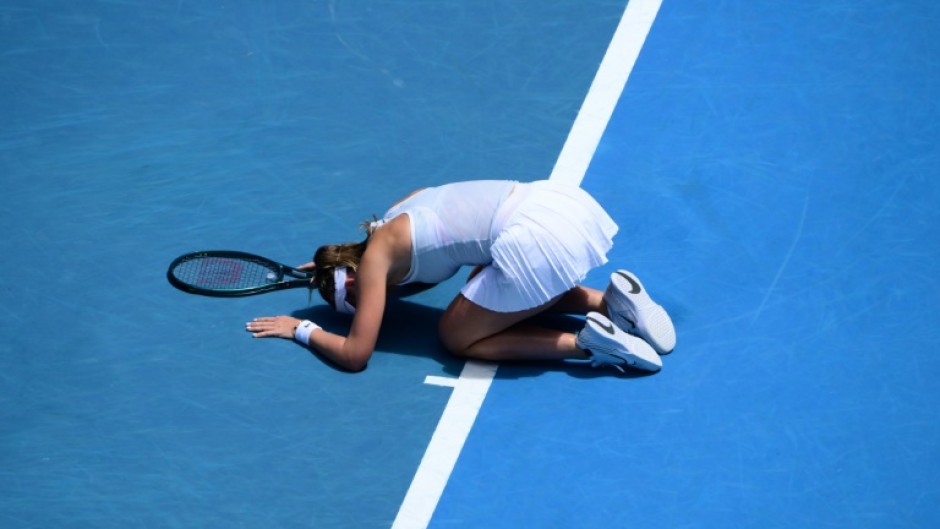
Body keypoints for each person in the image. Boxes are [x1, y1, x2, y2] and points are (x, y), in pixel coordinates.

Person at [245, 180, 675, 373]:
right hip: (558, 205)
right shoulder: (402, 209)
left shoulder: (374, 265)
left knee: (455, 335)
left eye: (356, 303)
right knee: (485, 276)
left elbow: (356, 356)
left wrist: (300, 329)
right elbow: (421, 271)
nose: (372, 308)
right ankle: (610, 301)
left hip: (539, 242)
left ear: (355, 280)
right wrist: (325, 267)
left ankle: (586, 345)